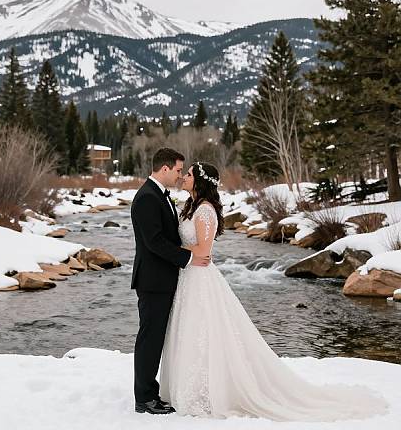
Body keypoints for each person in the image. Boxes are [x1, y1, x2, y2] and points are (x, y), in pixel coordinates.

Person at [159, 161, 387, 421]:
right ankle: (189, 387)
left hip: (200, 277)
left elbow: (204, 251)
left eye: (188, 174)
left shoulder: (205, 212)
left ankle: (208, 392)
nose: (184, 177)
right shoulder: (191, 207)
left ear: (199, 181)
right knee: (190, 332)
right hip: (188, 275)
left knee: (205, 331)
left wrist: (170, 252)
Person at [131, 148, 210, 415]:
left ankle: (150, 392)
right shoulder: (147, 198)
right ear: (164, 169)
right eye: (178, 170)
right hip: (153, 281)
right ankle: (144, 398)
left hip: (164, 279)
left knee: (156, 338)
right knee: (149, 339)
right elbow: (154, 242)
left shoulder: (159, 196)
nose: (179, 176)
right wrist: (187, 258)